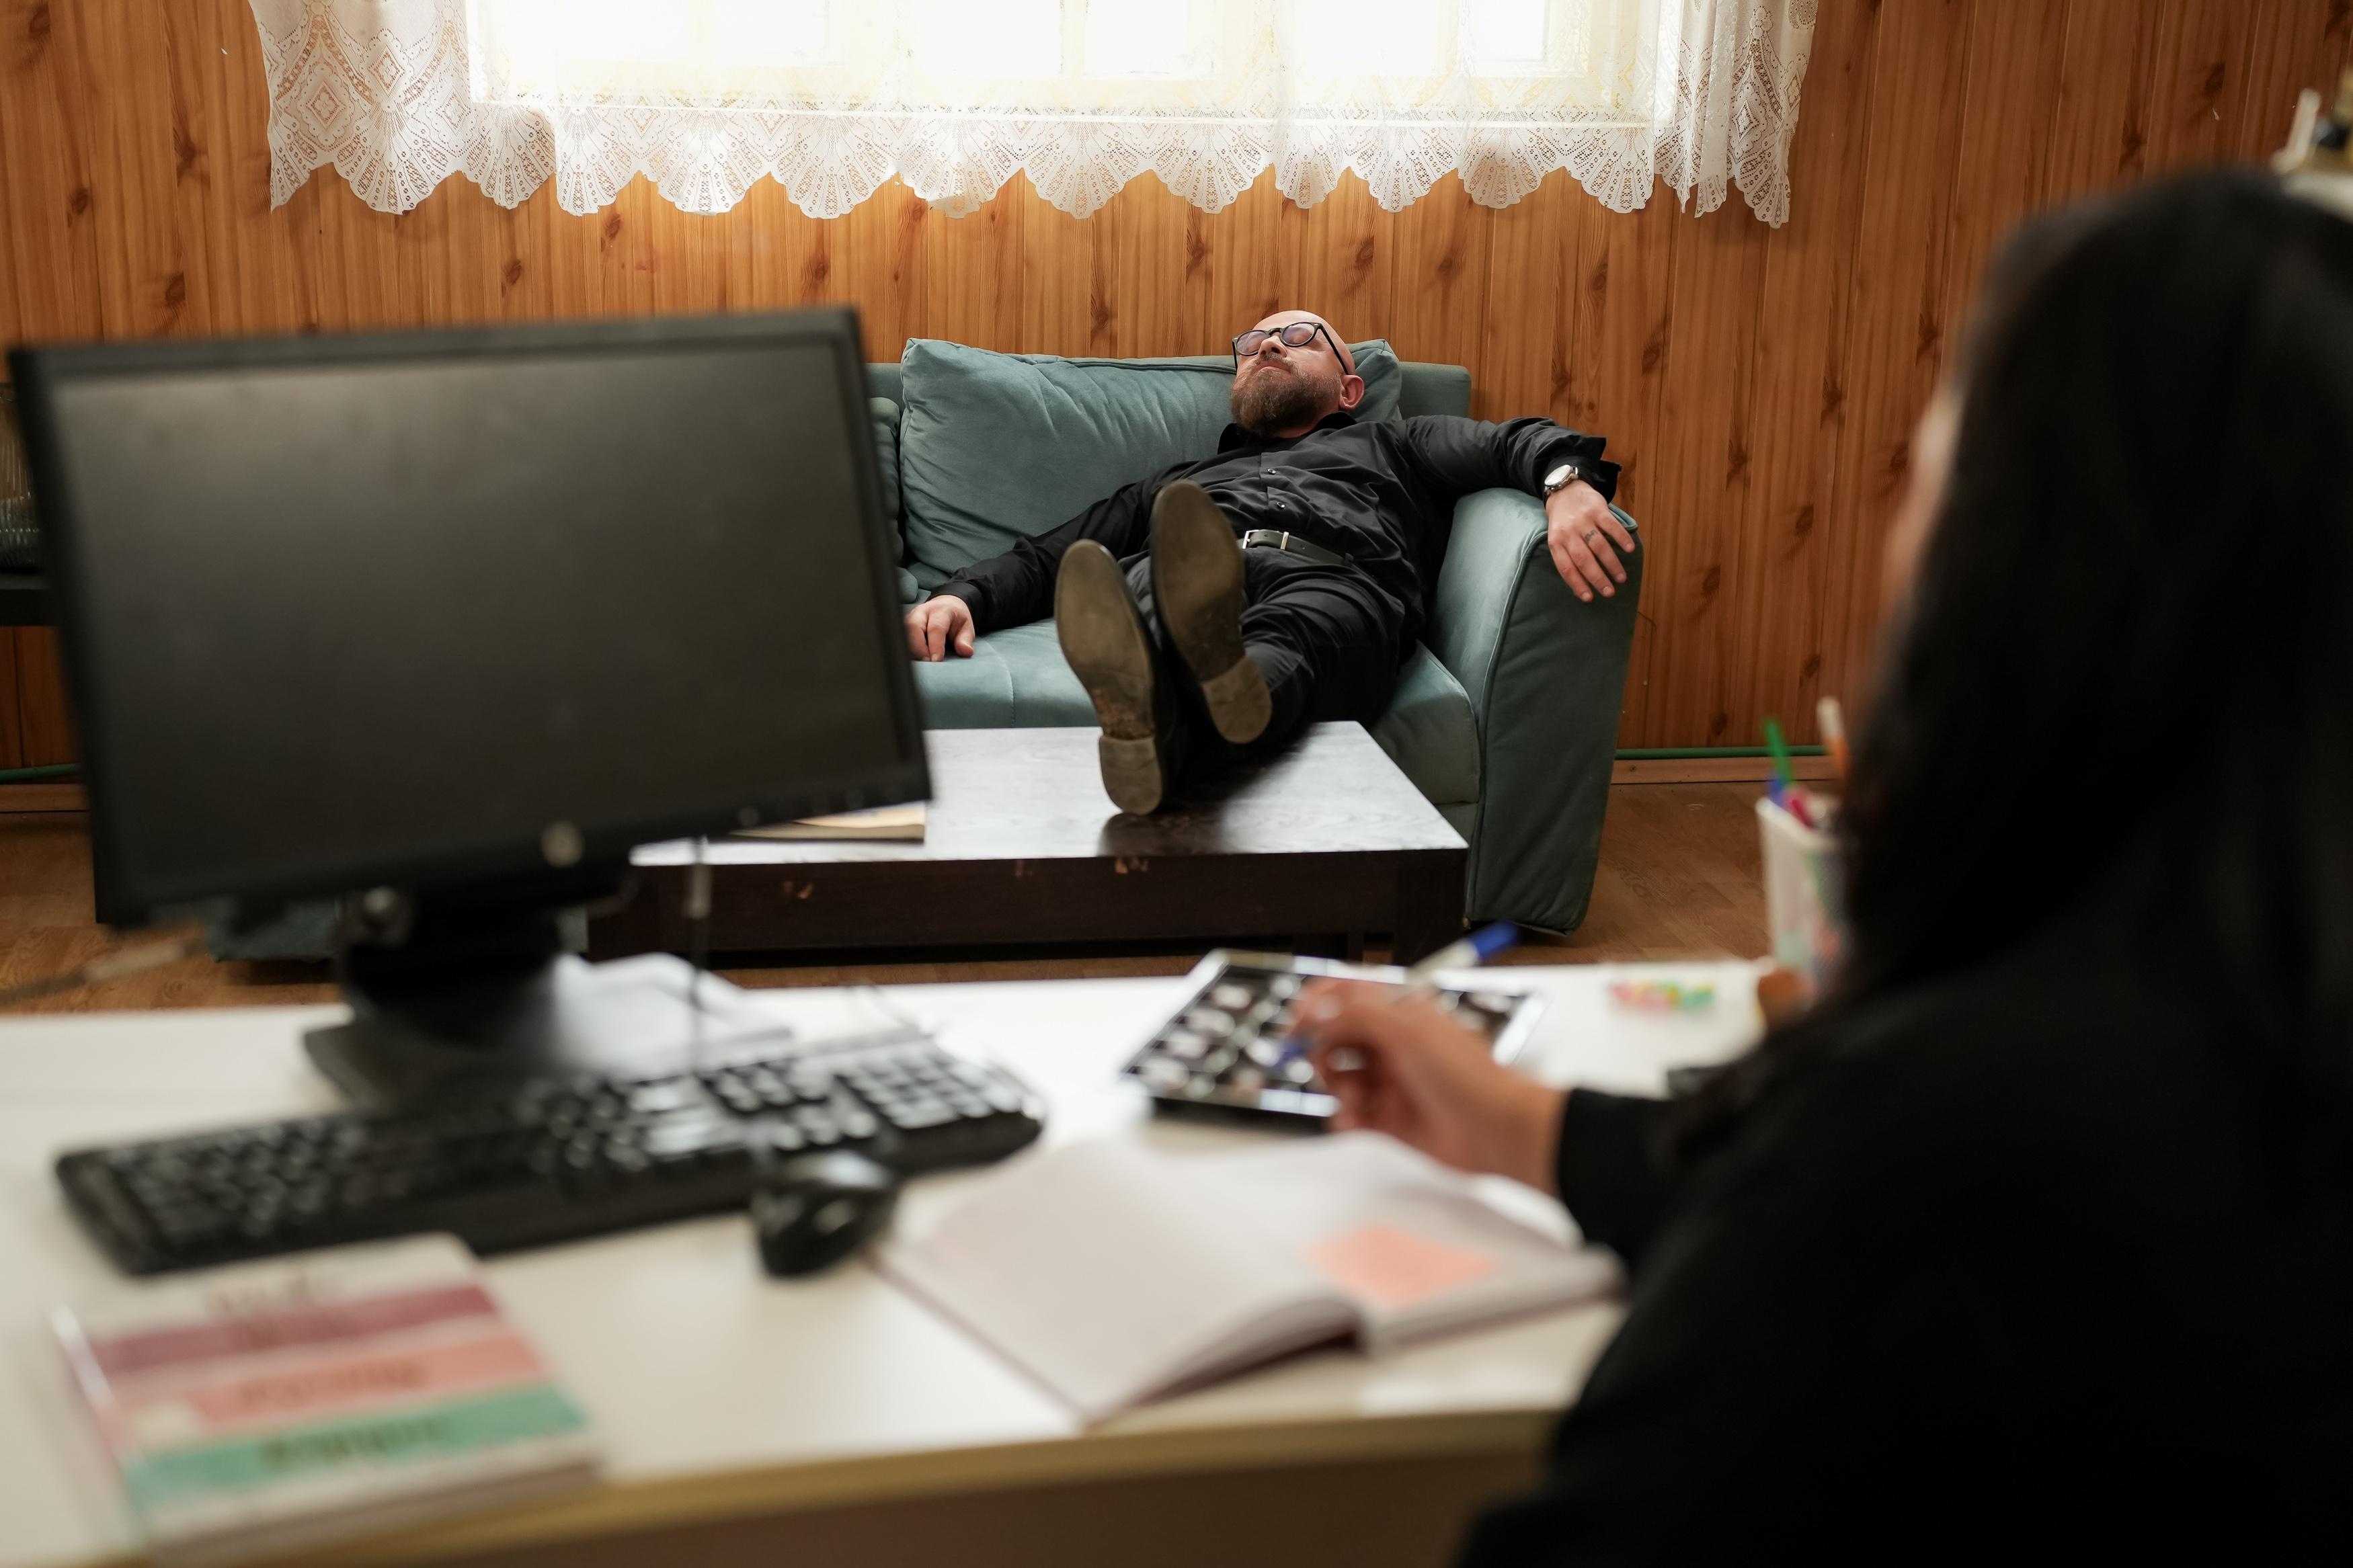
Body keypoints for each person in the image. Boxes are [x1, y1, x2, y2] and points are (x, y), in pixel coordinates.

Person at [1293, 171, 2353, 1561]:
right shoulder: (2235, 1054)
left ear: (2007, 575)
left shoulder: (1927, 1139)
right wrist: (1523, 1124)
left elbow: (1856, 1224)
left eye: (1929, 477)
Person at [902, 311, 1634, 813]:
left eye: (1298, 336)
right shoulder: (1179, 484)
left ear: (1350, 389)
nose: (1269, 346)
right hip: (1192, 566)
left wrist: (1565, 482)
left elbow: (1509, 442)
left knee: (1296, 632)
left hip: (1333, 576)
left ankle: (1177, 713)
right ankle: (1181, 682)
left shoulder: (1395, 443)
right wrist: (964, 596)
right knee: (1143, 577)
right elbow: (1054, 554)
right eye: (1253, 343)